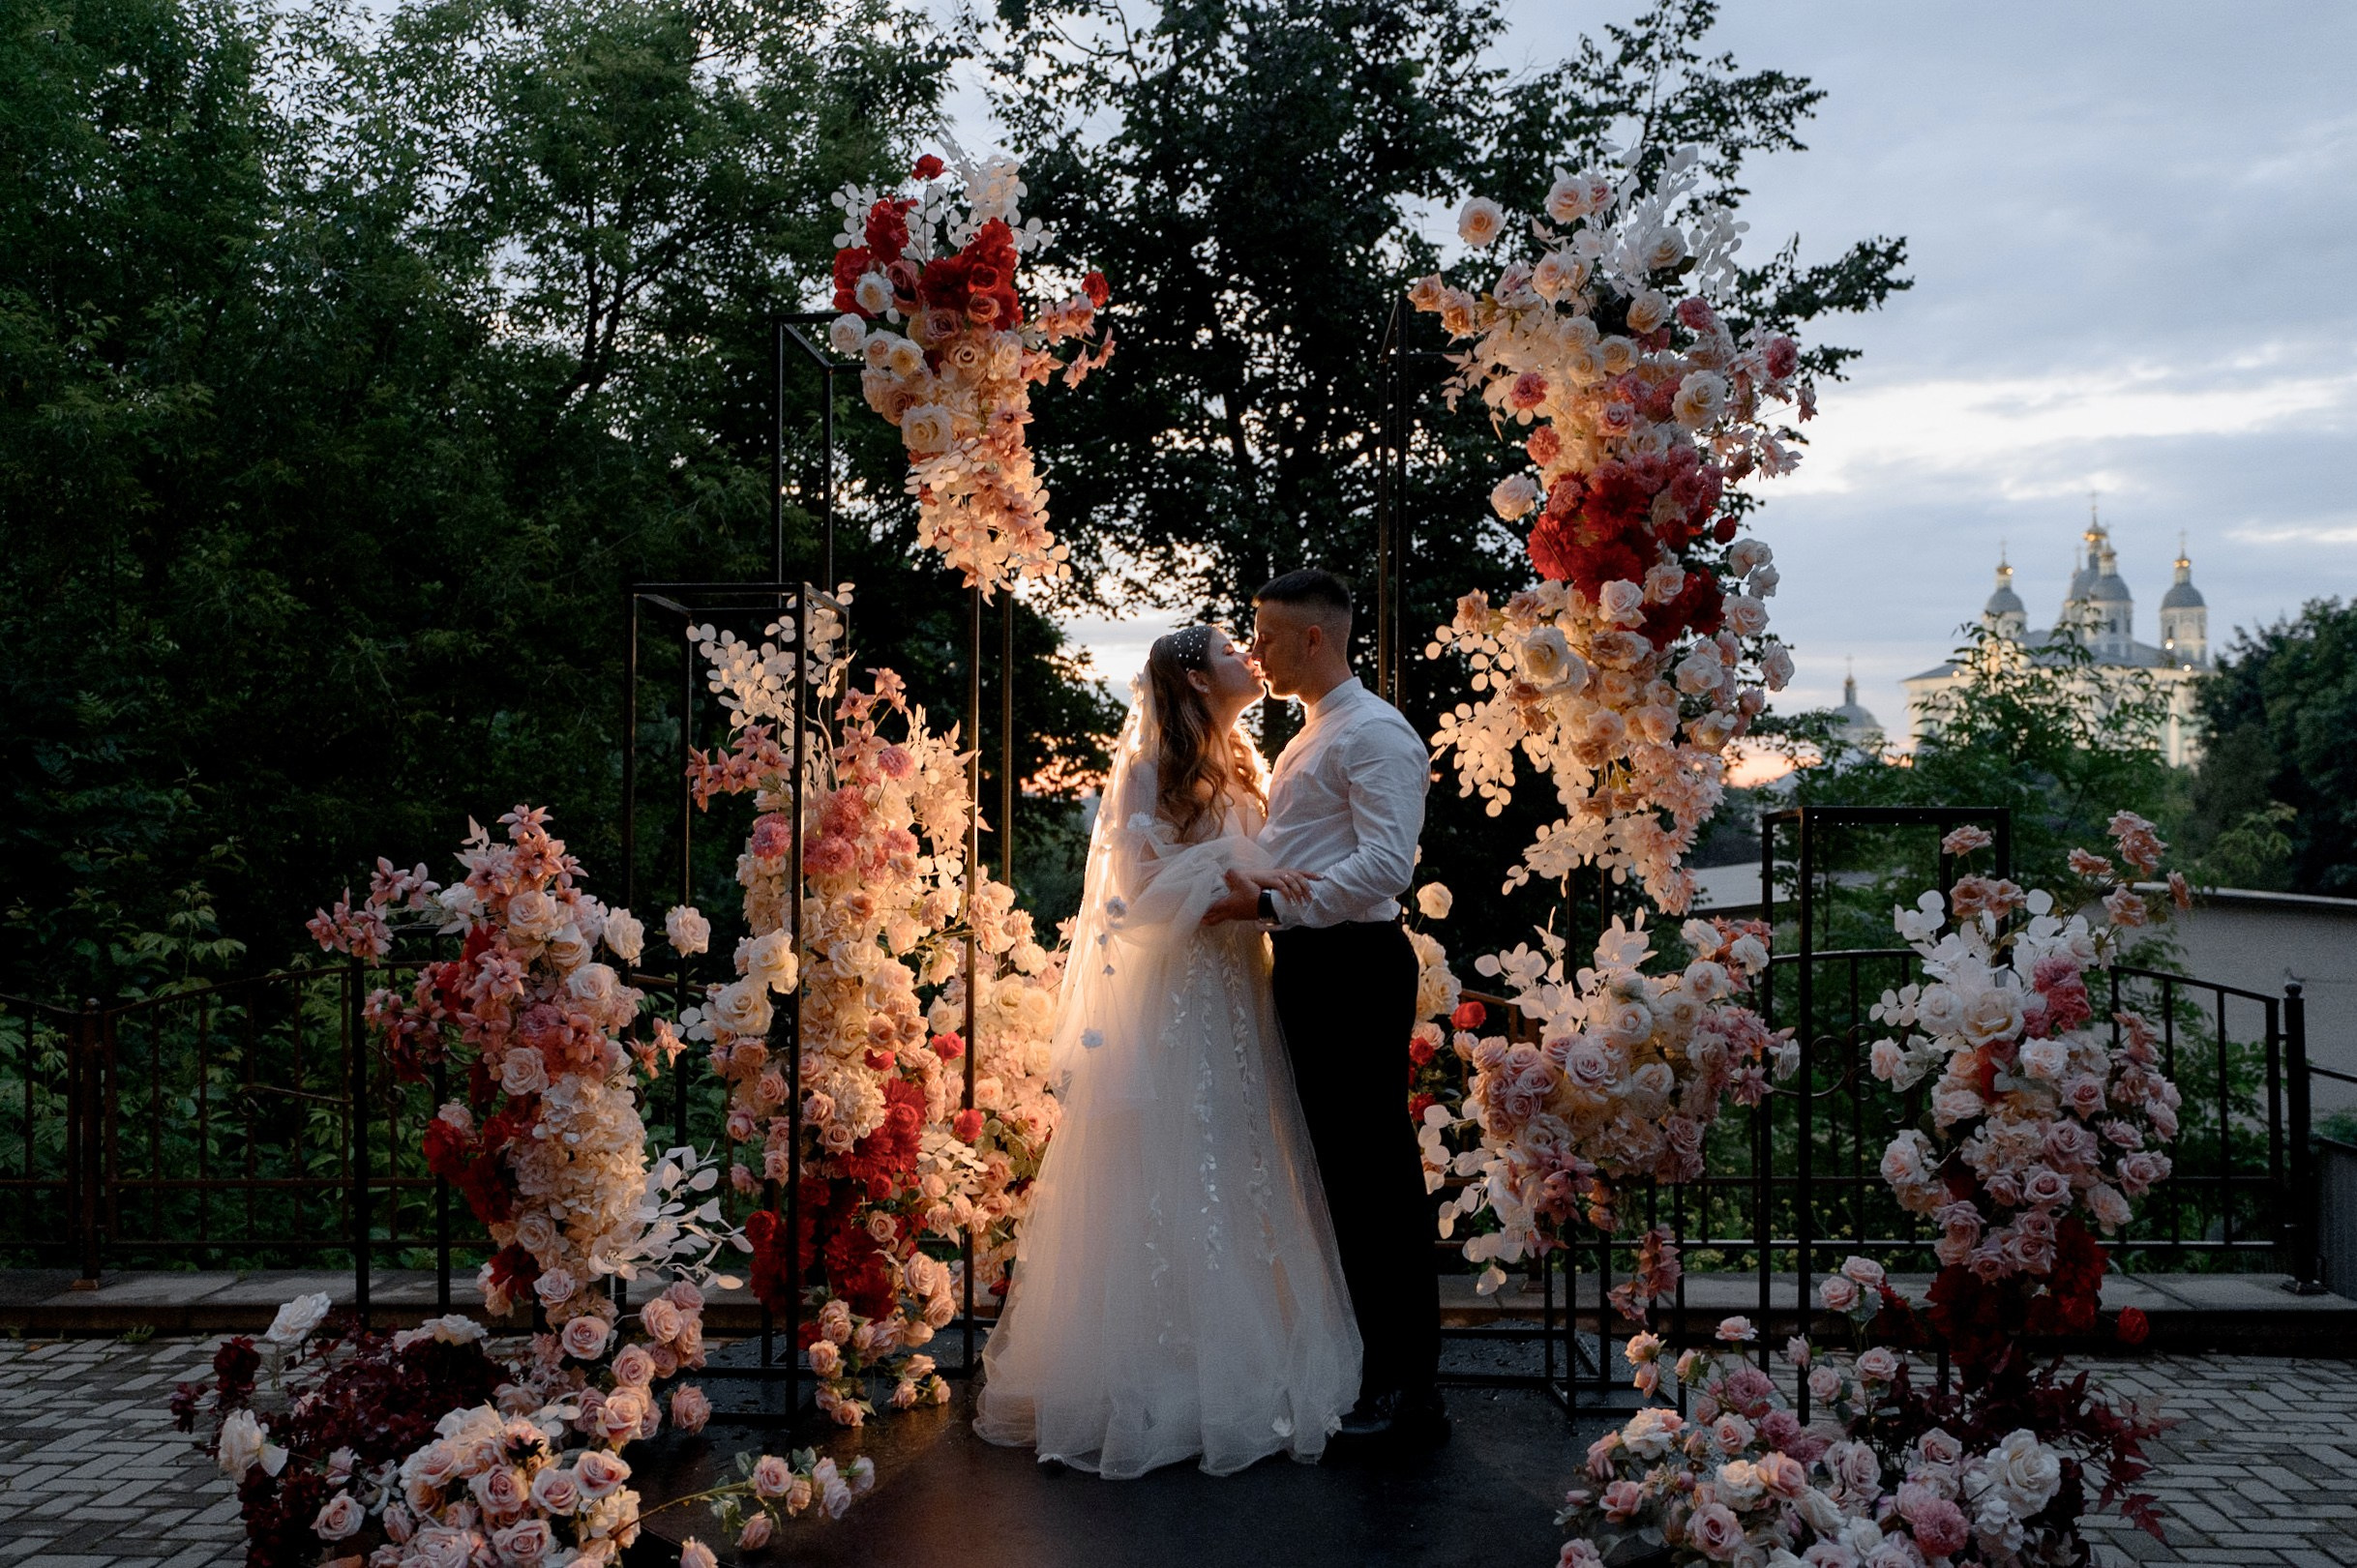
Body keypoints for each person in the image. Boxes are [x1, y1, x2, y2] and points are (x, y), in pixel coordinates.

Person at [972, 624, 1362, 1477]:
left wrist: (1259, 874)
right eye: (1232, 647)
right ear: (1192, 673)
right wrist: (1242, 863)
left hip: (1239, 986)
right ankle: (1158, 1373)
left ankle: (1242, 1358)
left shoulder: (1249, 764)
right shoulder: (1149, 772)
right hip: (1177, 993)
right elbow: (1137, 898)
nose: (1250, 658)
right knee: (1173, 1163)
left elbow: (1259, 872)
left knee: (1243, 1157)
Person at [1202, 568, 1444, 1445]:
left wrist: (1264, 905)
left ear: (1314, 637)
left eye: (1264, 635)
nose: (1254, 651)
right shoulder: (1316, 731)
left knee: (1374, 1176)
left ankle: (1410, 1391)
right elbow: (1300, 848)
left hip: (1352, 966)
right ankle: (1372, 1371)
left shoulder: (1375, 734)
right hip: (1312, 963)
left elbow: (1385, 867)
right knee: (1340, 1175)